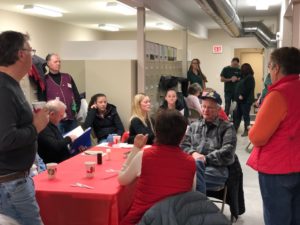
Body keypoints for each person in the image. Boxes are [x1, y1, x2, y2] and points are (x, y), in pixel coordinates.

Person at [247, 47, 300, 225]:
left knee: (278, 219)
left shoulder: (278, 94)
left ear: (276, 68)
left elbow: (257, 137)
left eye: (269, 66)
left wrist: (250, 131)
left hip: (278, 169)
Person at [0, 30, 49, 225]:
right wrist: (36, 127)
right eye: (31, 50)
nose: (33, 55)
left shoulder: (11, 85)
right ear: (21, 54)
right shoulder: (3, 89)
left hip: (15, 180)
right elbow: (5, 139)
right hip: (11, 184)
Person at [118, 109, 196, 225]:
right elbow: (190, 194)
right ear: (183, 136)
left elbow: (122, 180)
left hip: (142, 219)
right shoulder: (191, 162)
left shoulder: (144, 156)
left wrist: (135, 149)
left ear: (156, 131)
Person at [181, 90, 236, 190]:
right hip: (192, 168)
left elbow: (228, 151)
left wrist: (205, 159)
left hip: (214, 171)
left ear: (219, 110)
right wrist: (193, 153)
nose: (206, 110)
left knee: (186, 180)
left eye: (210, 107)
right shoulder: (194, 126)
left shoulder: (227, 128)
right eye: (204, 106)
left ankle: (195, 202)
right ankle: (199, 203)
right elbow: (183, 145)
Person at [44, 53, 81, 134]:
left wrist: (76, 110)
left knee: (76, 142)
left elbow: (76, 95)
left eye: (59, 61)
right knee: (60, 144)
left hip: (71, 117)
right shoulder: (45, 80)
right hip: (56, 120)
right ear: (48, 63)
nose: (58, 63)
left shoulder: (67, 77)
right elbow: (42, 100)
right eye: (55, 61)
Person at [38, 99, 77, 164]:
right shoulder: (43, 127)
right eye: (61, 115)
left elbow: (59, 142)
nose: (62, 118)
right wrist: (69, 138)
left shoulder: (51, 124)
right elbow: (55, 146)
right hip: (54, 165)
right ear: (52, 114)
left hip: (63, 160)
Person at [233, 63, 255, 136]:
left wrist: (242, 95)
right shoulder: (244, 77)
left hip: (246, 100)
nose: (241, 70)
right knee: (238, 114)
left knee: (246, 115)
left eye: (242, 68)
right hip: (240, 100)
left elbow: (247, 88)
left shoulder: (250, 77)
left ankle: (247, 130)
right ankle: (235, 128)